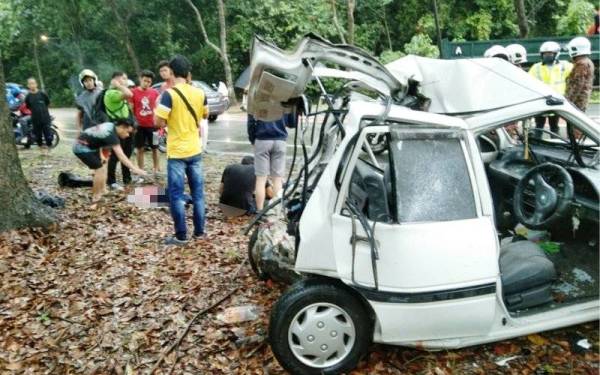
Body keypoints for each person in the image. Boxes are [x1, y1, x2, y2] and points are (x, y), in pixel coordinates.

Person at [154, 55, 209, 245]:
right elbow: (205, 114)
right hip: (195, 150)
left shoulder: (169, 94)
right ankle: (200, 233)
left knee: (176, 196)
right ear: (188, 73)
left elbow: (158, 122)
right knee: (198, 194)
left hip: (176, 152)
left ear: (172, 72)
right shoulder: (200, 92)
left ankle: (181, 236)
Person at [72, 119, 146, 202]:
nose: (128, 135)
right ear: (122, 127)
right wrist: (134, 168)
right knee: (99, 169)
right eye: (127, 132)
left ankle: (103, 190)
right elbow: (121, 156)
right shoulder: (111, 135)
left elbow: (98, 138)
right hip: (81, 147)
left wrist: (102, 156)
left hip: (91, 146)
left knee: (104, 164)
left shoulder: (111, 125)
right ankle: (96, 196)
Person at [247, 111, 296, 211]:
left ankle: (259, 211)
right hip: (280, 140)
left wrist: (253, 140)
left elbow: (251, 122)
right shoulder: (284, 96)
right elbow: (292, 123)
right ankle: (276, 210)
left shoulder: (257, 96)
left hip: (262, 140)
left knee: (261, 179)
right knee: (277, 179)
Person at [529, 41, 573, 136]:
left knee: (554, 127)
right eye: (544, 54)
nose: (547, 56)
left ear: (556, 54)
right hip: (540, 103)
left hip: (557, 103)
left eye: (550, 53)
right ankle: (537, 146)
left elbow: (576, 72)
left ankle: (556, 147)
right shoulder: (535, 68)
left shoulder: (564, 66)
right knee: (539, 127)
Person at [105, 71, 134, 190]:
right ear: (116, 80)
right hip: (116, 130)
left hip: (125, 128)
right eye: (123, 79)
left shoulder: (118, 92)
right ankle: (111, 181)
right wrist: (118, 85)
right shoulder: (111, 93)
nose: (126, 81)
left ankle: (127, 178)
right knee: (115, 157)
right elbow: (129, 94)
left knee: (126, 154)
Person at [132, 70, 160, 173]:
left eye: (149, 81)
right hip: (139, 126)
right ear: (140, 79)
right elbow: (131, 109)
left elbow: (158, 108)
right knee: (140, 148)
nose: (146, 83)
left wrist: (159, 123)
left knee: (155, 147)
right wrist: (133, 123)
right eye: (144, 81)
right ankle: (140, 169)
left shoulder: (155, 93)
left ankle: (156, 168)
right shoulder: (134, 92)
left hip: (153, 126)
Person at [566, 37, 595, 113]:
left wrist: (569, 101)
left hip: (577, 101)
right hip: (580, 100)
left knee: (573, 123)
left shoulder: (582, 64)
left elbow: (578, 84)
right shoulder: (586, 62)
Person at [24, 77, 53, 149]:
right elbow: (28, 106)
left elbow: (48, 103)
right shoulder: (28, 96)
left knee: (48, 136)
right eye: (30, 84)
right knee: (38, 137)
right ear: (28, 86)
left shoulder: (42, 94)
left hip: (45, 118)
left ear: (36, 84)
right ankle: (42, 150)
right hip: (35, 120)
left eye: (33, 83)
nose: (32, 85)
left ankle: (49, 149)